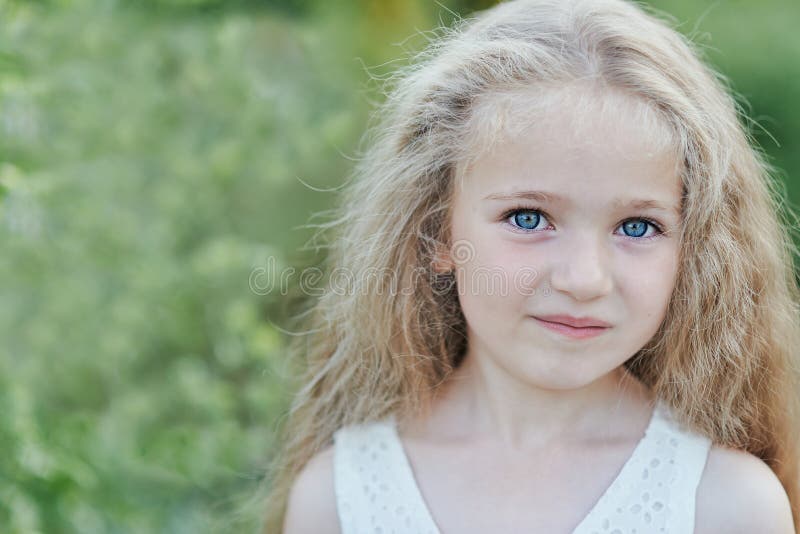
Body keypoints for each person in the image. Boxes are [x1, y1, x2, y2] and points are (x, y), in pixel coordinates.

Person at [265, 0, 800, 532]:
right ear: (435, 229)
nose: (584, 279)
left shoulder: (727, 506)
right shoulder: (342, 496)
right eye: (527, 218)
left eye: (637, 226)